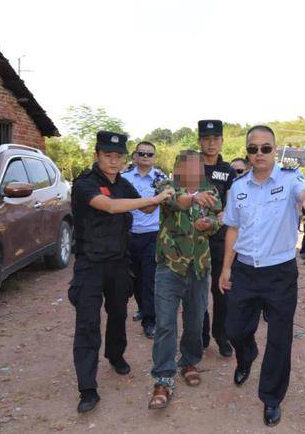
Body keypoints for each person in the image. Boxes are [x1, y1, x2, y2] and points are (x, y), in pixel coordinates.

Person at [219, 125, 305, 426]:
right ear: (247, 151)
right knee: (235, 329)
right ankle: (246, 354)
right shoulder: (238, 187)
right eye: (253, 149)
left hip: (279, 273)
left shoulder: (290, 180)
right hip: (245, 270)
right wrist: (226, 267)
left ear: (274, 150)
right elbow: (233, 229)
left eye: (266, 148)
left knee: (279, 337)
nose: (259, 154)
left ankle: (271, 397)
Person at [69, 131, 174, 413]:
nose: (113, 161)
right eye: (107, 155)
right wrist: (148, 201)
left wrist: (162, 197)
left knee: (118, 314)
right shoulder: (84, 184)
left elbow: (147, 210)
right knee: (87, 323)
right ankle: (88, 388)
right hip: (90, 264)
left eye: (118, 156)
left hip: (118, 263)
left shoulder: (124, 184)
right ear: (97, 156)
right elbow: (111, 207)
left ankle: (115, 355)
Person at [148, 150, 222, 409]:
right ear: (178, 168)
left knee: (195, 320)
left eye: (196, 167)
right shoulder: (166, 186)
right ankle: (163, 378)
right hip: (170, 266)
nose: (192, 172)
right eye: (186, 167)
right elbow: (176, 202)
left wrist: (209, 224)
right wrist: (193, 198)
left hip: (199, 267)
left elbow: (217, 219)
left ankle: (188, 362)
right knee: (166, 323)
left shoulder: (211, 189)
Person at [198, 120, 238, 357]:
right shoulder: (189, 166)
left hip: (221, 238)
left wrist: (226, 215)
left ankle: (221, 335)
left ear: (222, 141)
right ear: (200, 141)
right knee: (197, 289)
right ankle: (200, 334)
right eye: (206, 139)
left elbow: (232, 203)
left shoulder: (229, 170)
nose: (211, 144)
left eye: (216, 139)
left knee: (221, 288)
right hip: (195, 237)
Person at [122, 141, 166, 338]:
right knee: (135, 277)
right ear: (134, 156)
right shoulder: (124, 179)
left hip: (152, 234)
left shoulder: (161, 179)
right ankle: (142, 307)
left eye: (150, 154)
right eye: (142, 154)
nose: (146, 157)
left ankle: (150, 320)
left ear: (154, 157)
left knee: (149, 278)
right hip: (129, 234)